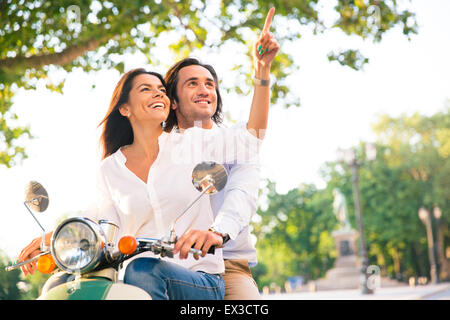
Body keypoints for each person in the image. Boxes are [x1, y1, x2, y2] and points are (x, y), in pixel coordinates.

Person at [16, 8, 279, 300]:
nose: (158, 94)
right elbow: (101, 219)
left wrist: (262, 70)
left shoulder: (195, 144)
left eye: (160, 90)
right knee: (60, 284)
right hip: (135, 270)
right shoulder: (110, 169)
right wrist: (53, 237)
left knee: (145, 271)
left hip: (210, 270)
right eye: (147, 89)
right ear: (125, 109)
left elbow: (251, 143)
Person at [161, 8, 278, 300]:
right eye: (192, 83)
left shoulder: (238, 143)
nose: (204, 89)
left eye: (209, 84)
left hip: (228, 267)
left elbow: (243, 194)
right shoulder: (161, 148)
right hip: (167, 265)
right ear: (172, 102)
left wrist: (217, 232)